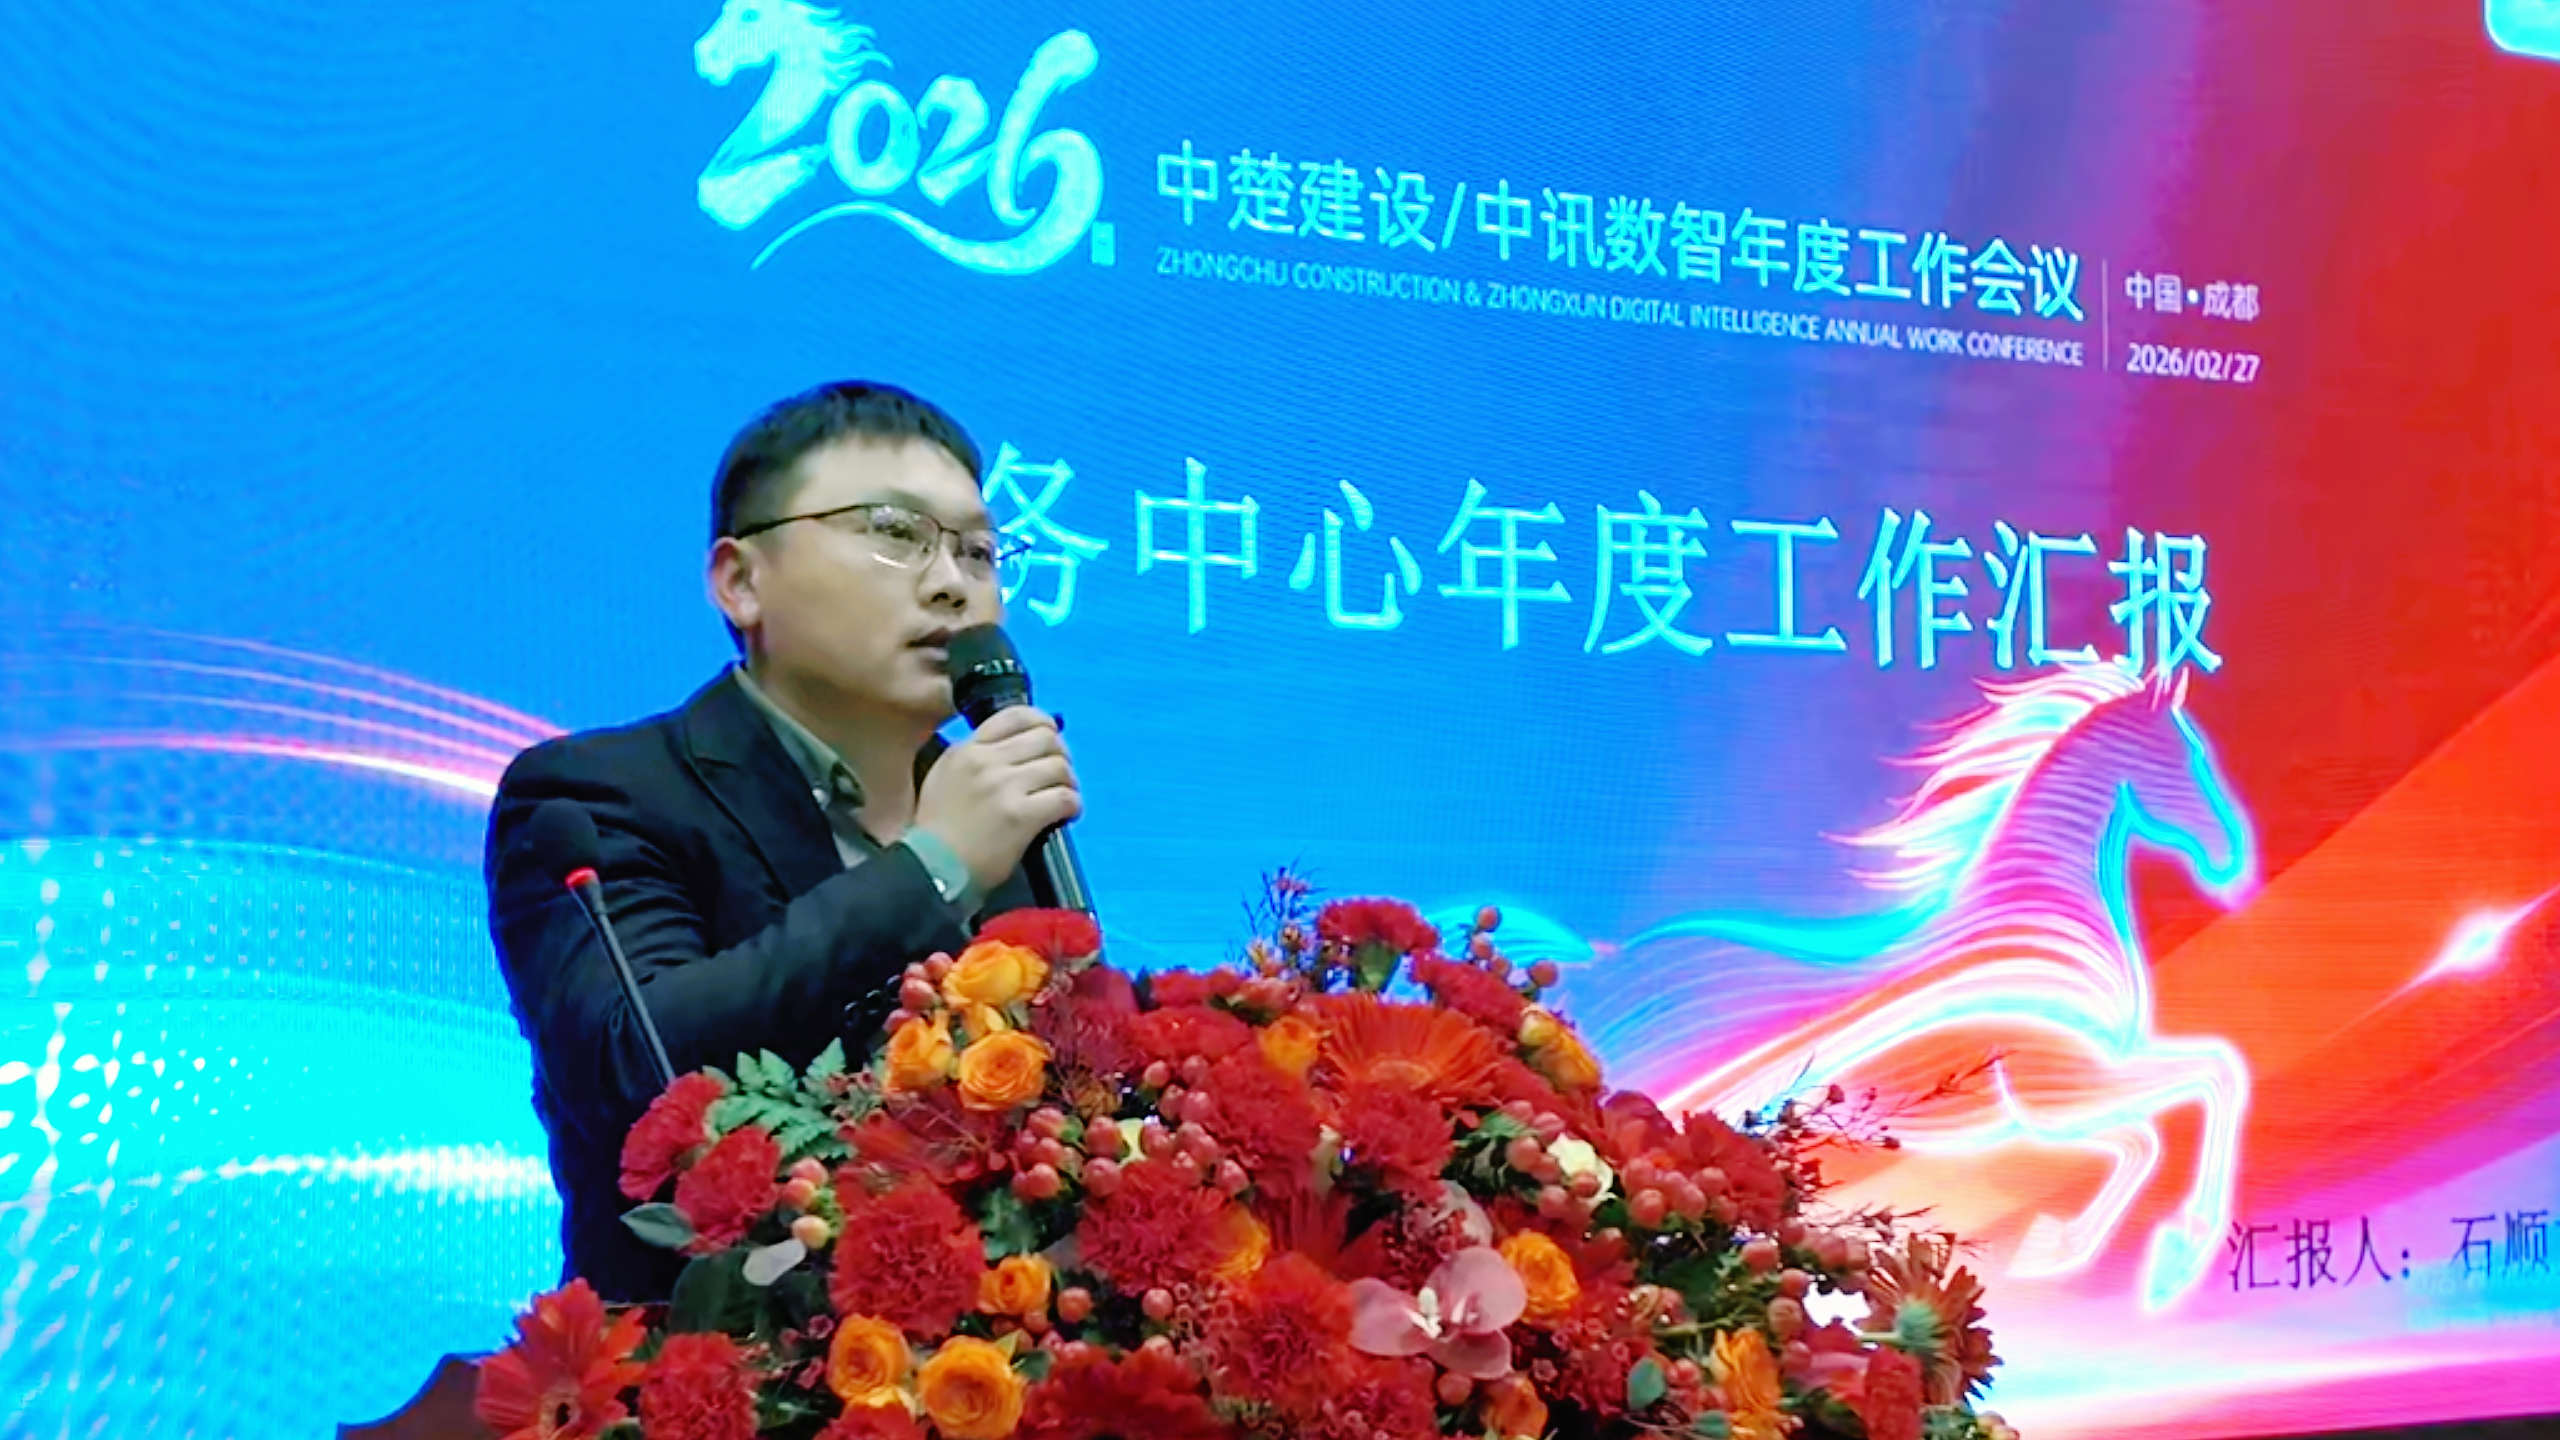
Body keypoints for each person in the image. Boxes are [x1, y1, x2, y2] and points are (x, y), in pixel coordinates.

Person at [483, 381, 1081, 1301]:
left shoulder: (1008, 825)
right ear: (741, 580)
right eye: (895, 533)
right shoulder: (595, 795)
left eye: (978, 552)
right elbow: (634, 1068)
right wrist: (934, 866)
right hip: (708, 1363)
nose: (952, 583)